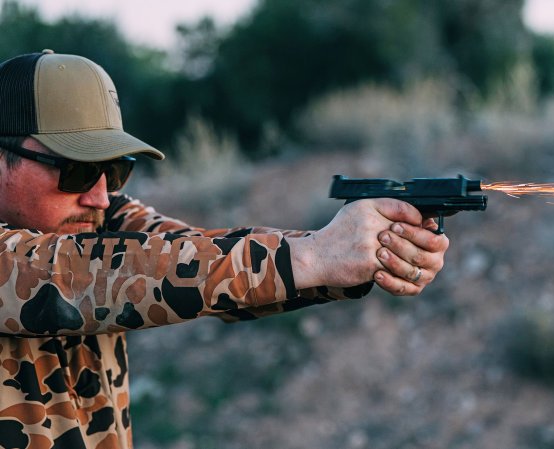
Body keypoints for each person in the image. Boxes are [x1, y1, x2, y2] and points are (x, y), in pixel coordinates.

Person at [0, 51, 449, 448]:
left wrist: (355, 256)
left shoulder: (97, 215)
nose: (100, 196)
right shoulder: (56, 252)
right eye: (76, 171)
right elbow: (78, 275)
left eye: (113, 171)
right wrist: (317, 256)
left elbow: (198, 260)